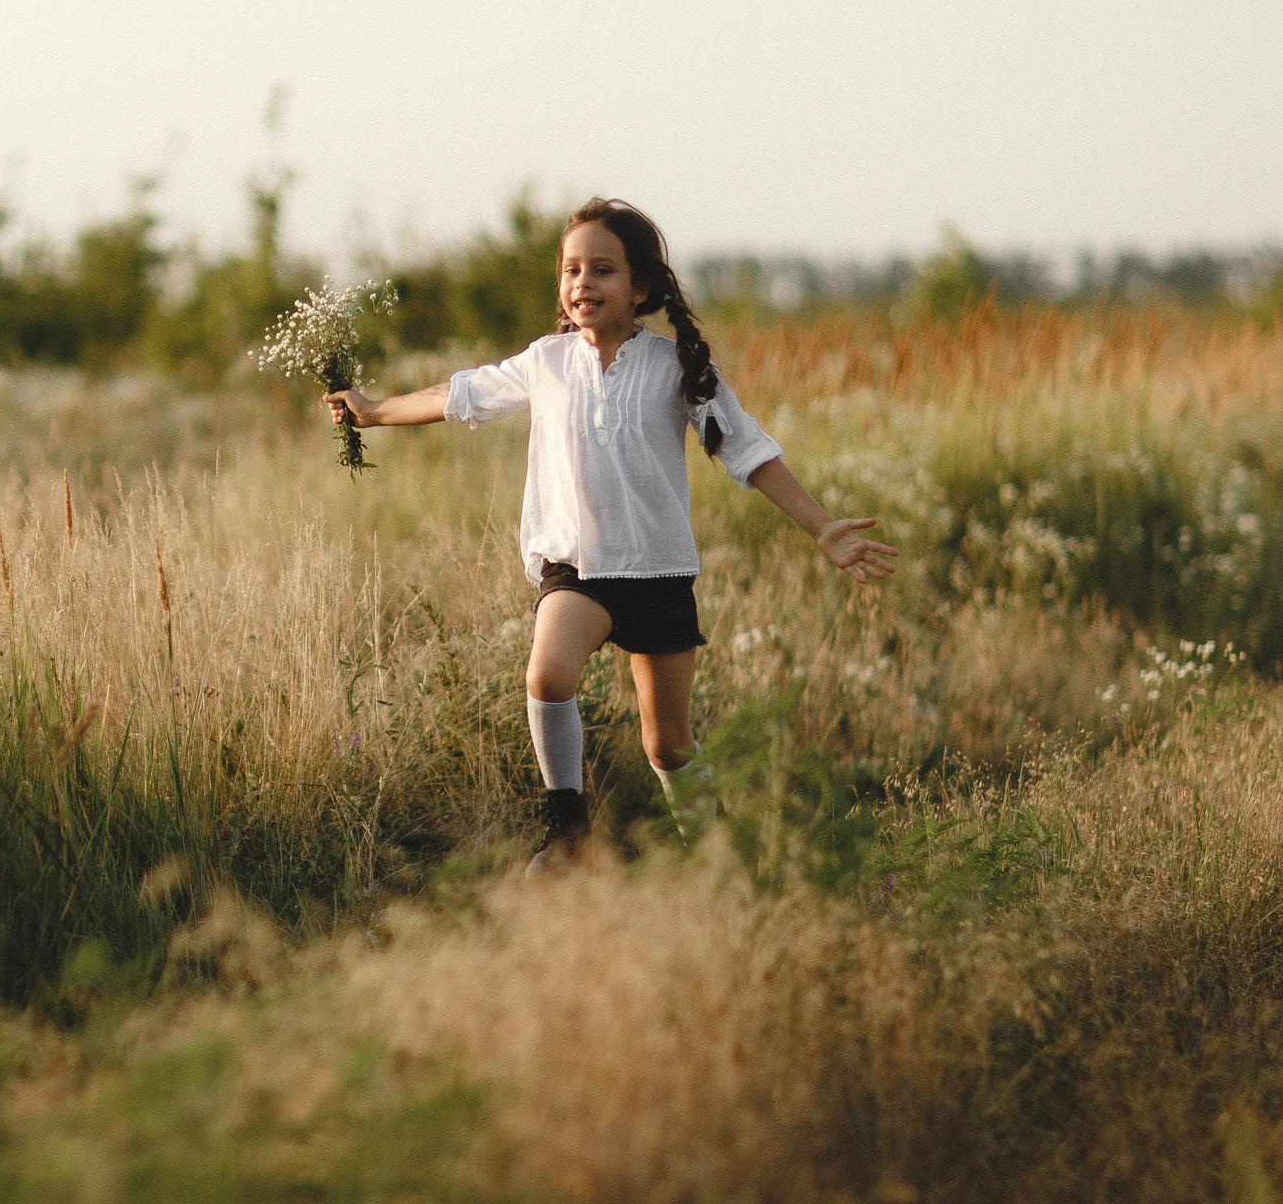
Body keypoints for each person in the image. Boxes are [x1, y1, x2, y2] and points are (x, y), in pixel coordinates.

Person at [324, 197, 897, 868]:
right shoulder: (546, 362)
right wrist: (373, 412)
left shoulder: (674, 366)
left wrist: (824, 527)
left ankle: (720, 864)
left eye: (602, 270)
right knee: (547, 672)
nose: (582, 284)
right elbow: (460, 396)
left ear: (641, 287)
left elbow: (748, 451)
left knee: (669, 745)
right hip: (578, 569)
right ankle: (566, 831)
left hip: (656, 573)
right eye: (571, 270)